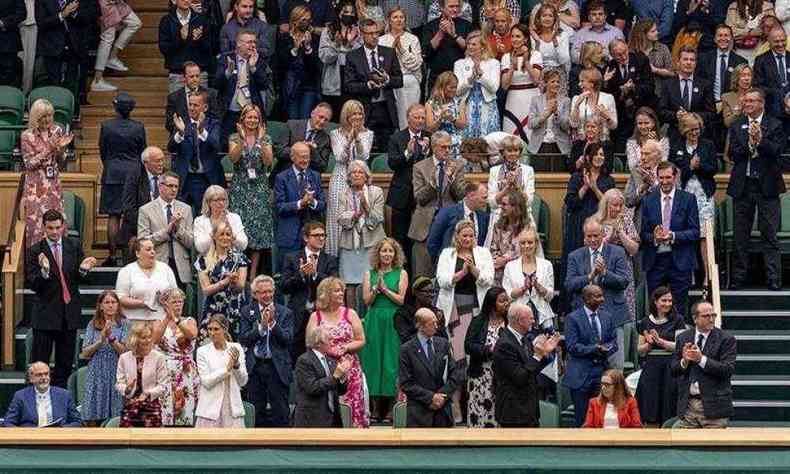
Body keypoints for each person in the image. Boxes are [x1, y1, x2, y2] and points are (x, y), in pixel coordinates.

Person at [26, 210, 97, 388]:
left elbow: (82, 279)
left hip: (69, 315)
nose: (55, 232)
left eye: (58, 227)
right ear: (44, 228)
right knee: (39, 365)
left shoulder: (73, 246)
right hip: (45, 317)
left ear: (63, 226)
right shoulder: (35, 251)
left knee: (65, 365)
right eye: (50, 228)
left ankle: (59, 403)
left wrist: (83, 269)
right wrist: (45, 271)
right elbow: (32, 284)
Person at [436, 219, 494, 422]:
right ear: (457, 237)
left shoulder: (483, 254)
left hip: (477, 309)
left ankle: (474, 405)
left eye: (471, 236)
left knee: (473, 357)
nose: (468, 239)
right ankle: (455, 404)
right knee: (457, 358)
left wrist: (474, 270)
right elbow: (442, 281)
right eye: (464, 236)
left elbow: (488, 279)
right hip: (454, 310)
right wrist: (461, 273)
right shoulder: (447, 254)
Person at [727, 87, 785, 290]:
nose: (747, 104)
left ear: (761, 103)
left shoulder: (775, 124)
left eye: (751, 101)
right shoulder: (736, 125)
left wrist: (760, 140)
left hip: (767, 187)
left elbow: (777, 151)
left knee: (769, 234)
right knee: (740, 235)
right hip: (743, 186)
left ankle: (774, 279)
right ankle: (738, 279)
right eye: (745, 101)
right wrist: (749, 143)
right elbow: (733, 154)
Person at [565, 217, 631, 370]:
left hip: (613, 316)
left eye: (596, 235)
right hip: (584, 319)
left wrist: (605, 273)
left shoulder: (618, 252)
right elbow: (569, 285)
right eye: (589, 236)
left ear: (603, 234)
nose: (593, 239)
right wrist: (590, 276)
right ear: (584, 237)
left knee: (614, 368)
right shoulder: (575, 256)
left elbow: (624, 281)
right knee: (585, 367)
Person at [640, 161, 701, 319]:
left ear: (675, 177)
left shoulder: (688, 199)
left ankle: (677, 339)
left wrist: (673, 236)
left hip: (680, 260)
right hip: (656, 260)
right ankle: (656, 340)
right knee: (655, 306)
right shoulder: (648, 200)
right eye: (661, 178)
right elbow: (643, 234)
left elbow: (695, 232)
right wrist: (654, 237)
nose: (665, 181)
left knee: (679, 306)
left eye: (668, 177)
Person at [305, 277, 367, 426]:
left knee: (352, 408)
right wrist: (329, 350)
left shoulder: (350, 313)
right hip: (324, 369)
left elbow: (361, 340)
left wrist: (345, 347)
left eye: (342, 291)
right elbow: (309, 343)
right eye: (336, 291)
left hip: (349, 369)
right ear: (325, 294)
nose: (341, 294)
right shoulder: (316, 316)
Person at [359, 238, 407, 423]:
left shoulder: (401, 273)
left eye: (390, 251)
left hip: (393, 320)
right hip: (374, 320)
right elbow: (366, 301)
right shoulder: (368, 273)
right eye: (384, 251)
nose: (387, 254)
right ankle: (375, 406)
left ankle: (390, 407)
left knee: (391, 360)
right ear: (377, 254)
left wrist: (385, 290)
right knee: (373, 360)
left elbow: (401, 300)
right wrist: (375, 291)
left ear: (395, 254)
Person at [408, 131, 467, 278]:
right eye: (443, 147)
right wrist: (433, 183)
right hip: (425, 227)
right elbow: (420, 198)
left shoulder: (458, 165)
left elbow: (460, 195)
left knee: (447, 274)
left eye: (450, 147)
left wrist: (452, 179)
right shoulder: (420, 167)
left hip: (449, 225)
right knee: (422, 277)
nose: (447, 151)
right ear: (434, 148)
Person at [492, 304, 560, 427]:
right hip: (514, 413)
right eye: (531, 318)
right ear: (520, 320)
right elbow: (520, 377)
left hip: (529, 411)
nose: (534, 322)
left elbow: (532, 370)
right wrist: (537, 356)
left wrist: (544, 353)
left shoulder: (524, 339)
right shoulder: (505, 344)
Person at [671, 301, 737, 428]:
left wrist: (701, 359)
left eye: (713, 315)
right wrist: (684, 361)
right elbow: (673, 370)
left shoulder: (726, 339)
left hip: (714, 410)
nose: (711, 319)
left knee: (713, 447)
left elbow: (727, 370)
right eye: (706, 316)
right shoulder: (683, 337)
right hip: (688, 408)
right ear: (695, 318)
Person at [669, 113, 718, 288]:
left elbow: (713, 169)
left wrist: (700, 166)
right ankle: (687, 275)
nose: (695, 133)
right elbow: (675, 172)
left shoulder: (708, 145)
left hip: (704, 195)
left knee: (705, 237)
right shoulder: (676, 147)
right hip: (684, 195)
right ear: (684, 130)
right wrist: (690, 167)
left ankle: (708, 276)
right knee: (685, 235)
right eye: (691, 130)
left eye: (697, 129)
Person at [239, 275, 294, 427]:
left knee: (281, 411)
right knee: (256, 410)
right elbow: (243, 339)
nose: (267, 295)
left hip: (277, 367)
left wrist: (273, 323)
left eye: (270, 291)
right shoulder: (246, 312)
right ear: (255, 294)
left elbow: (288, 340)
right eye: (263, 292)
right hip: (255, 366)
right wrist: (261, 327)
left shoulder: (285, 312)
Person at [99, 93, 147, 266]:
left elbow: (103, 151)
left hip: (112, 172)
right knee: (133, 215)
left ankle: (112, 255)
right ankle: (132, 256)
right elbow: (143, 152)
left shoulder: (106, 126)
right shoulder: (138, 127)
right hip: (134, 173)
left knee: (113, 215)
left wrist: (111, 165)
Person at [501, 228, 557, 378]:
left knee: (545, 360)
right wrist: (523, 288)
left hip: (542, 319)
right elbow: (507, 294)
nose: (526, 246)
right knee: (523, 357)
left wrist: (539, 287)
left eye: (530, 242)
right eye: (523, 243)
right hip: (520, 320)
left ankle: (544, 395)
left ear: (536, 244)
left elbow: (550, 295)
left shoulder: (546, 265)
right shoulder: (510, 266)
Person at [227, 104, 274, 280]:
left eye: (256, 117)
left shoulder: (266, 138)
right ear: (242, 119)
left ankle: (252, 276)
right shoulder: (234, 137)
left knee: (257, 236)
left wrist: (261, 141)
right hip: (241, 189)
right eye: (249, 117)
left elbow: (268, 161)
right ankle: (240, 273)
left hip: (259, 189)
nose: (252, 120)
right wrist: (241, 139)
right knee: (240, 232)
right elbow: (233, 158)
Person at [282, 222, 339, 361]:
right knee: (296, 357)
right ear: (306, 238)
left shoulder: (330, 260)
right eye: (316, 235)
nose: (321, 238)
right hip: (298, 315)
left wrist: (315, 275)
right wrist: (300, 275)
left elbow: (334, 284)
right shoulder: (292, 258)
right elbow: (284, 287)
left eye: (323, 235)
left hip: (322, 314)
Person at [563, 284, 618, 427]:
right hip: (580, 376)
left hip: (601, 374)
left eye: (602, 295)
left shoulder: (607, 317)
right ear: (587, 299)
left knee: (602, 419)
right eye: (598, 296)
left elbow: (614, 342)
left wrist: (607, 348)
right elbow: (572, 346)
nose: (602, 299)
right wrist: (594, 348)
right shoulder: (573, 318)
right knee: (583, 421)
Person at [561, 142, 615, 283]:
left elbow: (611, 204)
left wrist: (595, 188)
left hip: (599, 224)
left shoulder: (608, 180)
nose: (599, 157)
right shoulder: (576, 177)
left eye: (602, 154)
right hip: (578, 224)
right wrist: (585, 187)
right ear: (588, 157)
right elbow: (570, 203)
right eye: (596, 154)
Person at [21, 98, 72, 248]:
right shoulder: (27, 136)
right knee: (37, 229)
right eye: (44, 116)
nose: (48, 119)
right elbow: (29, 164)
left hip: (53, 185)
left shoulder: (57, 131)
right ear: (36, 117)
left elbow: (61, 162)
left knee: (57, 224)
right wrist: (49, 148)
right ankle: (36, 265)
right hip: (35, 188)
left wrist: (62, 150)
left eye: (50, 115)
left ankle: (58, 263)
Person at [326, 100, 374, 257]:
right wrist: (349, 140)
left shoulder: (368, 134)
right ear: (346, 115)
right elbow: (340, 157)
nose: (358, 116)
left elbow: (363, 155)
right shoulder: (335, 134)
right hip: (340, 178)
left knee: (360, 216)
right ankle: (336, 258)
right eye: (354, 113)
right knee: (338, 219)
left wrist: (357, 138)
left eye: (360, 113)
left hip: (360, 178)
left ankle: (357, 260)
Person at [399, 308, 461, 427]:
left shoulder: (443, 344)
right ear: (420, 326)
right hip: (419, 414)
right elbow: (406, 383)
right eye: (432, 323)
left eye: (436, 323)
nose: (436, 326)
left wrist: (441, 396)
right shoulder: (406, 350)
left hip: (443, 412)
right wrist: (430, 398)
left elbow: (455, 374)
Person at [387, 103, 431, 269]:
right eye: (416, 117)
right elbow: (393, 164)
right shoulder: (396, 138)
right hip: (402, 196)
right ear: (408, 118)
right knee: (400, 239)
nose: (420, 121)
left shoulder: (430, 137)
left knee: (421, 240)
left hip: (424, 196)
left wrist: (427, 153)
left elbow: (434, 165)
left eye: (422, 118)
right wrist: (408, 152)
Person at [636, 286, 686, 427]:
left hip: (670, 367)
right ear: (656, 302)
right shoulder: (645, 321)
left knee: (668, 403)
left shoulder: (678, 320)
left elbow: (680, 346)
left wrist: (661, 342)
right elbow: (640, 350)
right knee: (650, 404)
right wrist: (650, 344)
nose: (667, 304)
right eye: (664, 300)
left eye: (670, 301)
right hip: (651, 367)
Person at [168, 90, 223, 219]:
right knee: (181, 217)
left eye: (195, 105)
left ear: (205, 107)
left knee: (204, 217)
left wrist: (201, 130)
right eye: (190, 105)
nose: (191, 108)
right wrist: (181, 133)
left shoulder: (213, 124)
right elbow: (171, 147)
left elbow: (216, 145)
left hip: (205, 178)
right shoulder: (182, 123)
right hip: (184, 179)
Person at [79, 290, 130, 426]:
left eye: (113, 302)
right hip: (97, 371)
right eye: (106, 302)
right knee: (93, 413)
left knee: (116, 411)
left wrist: (111, 339)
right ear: (101, 306)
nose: (110, 305)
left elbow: (125, 352)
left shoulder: (124, 324)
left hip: (117, 370)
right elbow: (85, 353)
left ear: (118, 305)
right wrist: (101, 340)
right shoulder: (92, 324)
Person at [137, 172, 195, 290]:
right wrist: (166, 231)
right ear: (160, 186)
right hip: (157, 263)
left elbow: (191, 242)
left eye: (176, 187)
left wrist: (178, 228)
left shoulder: (186, 209)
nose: (174, 190)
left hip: (180, 266)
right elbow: (142, 242)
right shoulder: (145, 210)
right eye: (170, 186)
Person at [195, 221, 249, 342]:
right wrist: (225, 282)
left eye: (228, 234)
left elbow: (240, 287)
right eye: (221, 234)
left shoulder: (240, 258)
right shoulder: (203, 260)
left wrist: (234, 282)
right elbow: (206, 290)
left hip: (235, 309)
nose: (225, 237)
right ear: (214, 236)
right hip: (213, 310)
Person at [151, 288, 199, 426]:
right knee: (164, 406)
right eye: (174, 302)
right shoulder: (158, 322)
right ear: (166, 304)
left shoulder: (189, 320)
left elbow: (192, 335)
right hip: (164, 369)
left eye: (180, 301)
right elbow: (155, 340)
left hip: (185, 369)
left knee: (184, 410)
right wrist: (168, 317)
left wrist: (176, 320)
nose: (178, 304)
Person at [338, 161, 386, 296]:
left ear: (366, 176)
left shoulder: (376, 192)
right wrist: (355, 215)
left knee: (371, 282)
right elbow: (341, 218)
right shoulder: (344, 194)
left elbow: (378, 218)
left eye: (360, 172)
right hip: (350, 243)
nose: (357, 175)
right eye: (353, 172)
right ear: (349, 176)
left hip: (372, 243)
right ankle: (351, 315)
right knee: (350, 283)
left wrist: (366, 206)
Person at [274, 142, 327, 264]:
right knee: (288, 275)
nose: (305, 160)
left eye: (307, 156)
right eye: (302, 157)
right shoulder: (281, 178)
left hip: (311, 237)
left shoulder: (315, 176)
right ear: (293, 157)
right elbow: (279, 207)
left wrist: (312, 202)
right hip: (289, 236)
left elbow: (323, 204)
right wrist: (300, 203)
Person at [216, 29, 270, 146]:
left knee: (250, 147)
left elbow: (264, 85)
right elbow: (216, 84)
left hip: (251, 115)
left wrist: (253, 68)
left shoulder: (260, 60)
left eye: (254, 42)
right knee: (226, 147)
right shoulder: (226, 58)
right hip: (229, 113)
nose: (253, 45)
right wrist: (228, 73)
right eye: (249, 42)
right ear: (239, 43)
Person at [602, 39, 657, 152]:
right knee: (620, 146)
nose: (623, 57)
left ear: (627, 47)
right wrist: (616, 88)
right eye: (618, 55)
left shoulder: (641, 60)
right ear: (612, 55)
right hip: (621, 114)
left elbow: (650, 87)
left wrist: (634, 88)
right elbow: (608, 96)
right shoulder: (610, 67)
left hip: (642, 109)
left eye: (625, 52)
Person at [195, 314, 249, 428]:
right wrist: (227, 369)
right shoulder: (202, 351)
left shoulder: (236, 348)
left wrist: (236, 366)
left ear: (225, 329)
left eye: (216, 329)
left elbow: (243, 381)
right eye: (209, 329)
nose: (212, 333)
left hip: (232, 408)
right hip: (209, 410)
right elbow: (206, 382)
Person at [465, 287, 508, 428]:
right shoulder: (478, 321)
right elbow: (468, 345)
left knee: (498, 412)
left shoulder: (509, 322)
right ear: (491, 303)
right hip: (480, 374)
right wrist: (487, 350)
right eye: (502, 301)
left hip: (502, 376)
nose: (506, 303)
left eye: (507, 300)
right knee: (479, 413)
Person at [293, 325, 351, 427]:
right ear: (319, 343)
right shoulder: (304, 360)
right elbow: (312, 388)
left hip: (333, 419)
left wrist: (343, 376)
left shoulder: (331, 361)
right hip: (312, 419)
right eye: (329, 339)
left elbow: (341, 391)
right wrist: (335, 376)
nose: (332, 343)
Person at [35, 0, 95, 99]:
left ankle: (72, 109)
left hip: (74, 46)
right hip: (52, 46)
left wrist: (74, 13)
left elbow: (88, 18)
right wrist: (62, 15)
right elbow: (41, 23)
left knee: (72, 83)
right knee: (54, 83)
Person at [593, 188, 640, 314]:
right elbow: (592, 247)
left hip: (623, 269)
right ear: (606, 205)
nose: (618, 209)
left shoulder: (626, 221)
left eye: (621, 205)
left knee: (624, 308)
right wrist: (610, 236)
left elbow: (634, 249)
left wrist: (620, 233)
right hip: (602, 268)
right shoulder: (596, 222)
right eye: (615, 205)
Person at [116, 322, 169, 427]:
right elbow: (119, 383)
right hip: (130, 406)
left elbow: (163, 385)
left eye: (149, 336)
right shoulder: (124, 358)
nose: (148, 340)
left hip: (151, 407)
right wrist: (126, 389)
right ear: (135, 339)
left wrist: (147, 394)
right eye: (143, 337)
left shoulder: (159, 357)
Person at [658, 45, 716, 142]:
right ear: (678, 62)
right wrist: (676, 115)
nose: (688, 62)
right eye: (685, 59)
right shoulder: (667, 84)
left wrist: (691, 117)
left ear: (696, 63)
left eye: (692, 60)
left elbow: (711, 113)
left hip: (699, 135)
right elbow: (661, 111)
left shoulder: (705, 84)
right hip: (675, 135)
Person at [380, 6, 423, 130]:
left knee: (411, 115)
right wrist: (391, 52)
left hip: (410, 80)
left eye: (401, 17)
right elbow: (381, 65)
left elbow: (415, 64)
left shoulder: (413, 39)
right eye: (395, 17)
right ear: (389, 20)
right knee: (395, 117)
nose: (399, 20)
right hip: (390, 82)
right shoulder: (382, 40)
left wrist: (402, 50)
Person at [116, 237, 178, 321]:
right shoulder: (126, 271)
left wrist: (166, 297)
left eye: (153, 249)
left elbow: (175, 294)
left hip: (161, 321)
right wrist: (142, 303)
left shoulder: (165, 268)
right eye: (148, 249)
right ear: (138, 254)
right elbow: (121, 298)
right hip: (134, 321)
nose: (153, 252)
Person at [486, 134, 535, 238]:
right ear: (503, 152)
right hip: (499, 215)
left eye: (516, 150)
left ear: (520, 152)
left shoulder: (528, 170)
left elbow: (529, 201)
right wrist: (507, 187)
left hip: (522, 216)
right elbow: (492, 203)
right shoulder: (494, 171)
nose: (513, 154)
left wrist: (517, 186)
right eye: (509, 150)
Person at [158, 0, 213, 93]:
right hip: (177, 74)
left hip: (199, 73)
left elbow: (209, 48)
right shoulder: (166, 21)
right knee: (178, 106)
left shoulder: (201, 19)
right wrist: (180, 38)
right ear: (174, 1)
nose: (187, 0)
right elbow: (164, 49)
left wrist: (198, 39)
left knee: (200, 105)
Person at [277, 6, 323, 120]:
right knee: (292, 120)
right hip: (291, 86)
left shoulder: (315, 38)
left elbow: (316, 67)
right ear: (295, 20)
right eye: (303, 20)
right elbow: (281, 64)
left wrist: (308, 48)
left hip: (309, 86)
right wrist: (294, 50)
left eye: (309, 20)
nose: (306, 23)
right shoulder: (285, 38)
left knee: (304, 119)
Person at [120, 147, 165, 260]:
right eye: (157, 161)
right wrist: (146, 226)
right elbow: (128, 208)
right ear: (146, 163)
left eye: (162, 160)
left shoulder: (168, 176)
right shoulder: (134, 176)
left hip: (163, 228)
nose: (161, 164)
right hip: (137, 228)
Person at [454, 30, 501, 140]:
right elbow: (457, 91)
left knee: (488, 141)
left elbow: (494, 88)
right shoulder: (459, 64)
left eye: (474, 44)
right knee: (466, 142)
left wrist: (481, 76)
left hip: (487, 107)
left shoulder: (493, 63)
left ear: (483, 47)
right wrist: (470, 80)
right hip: (466, 107)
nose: (470, 47)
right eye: (469, 44)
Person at [3, 362, 81, 427]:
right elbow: (8, 422)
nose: (44, 378)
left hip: (58, 439)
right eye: (39, 375)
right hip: (31, 440)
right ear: (31, 378)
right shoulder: (20, 396)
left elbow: (77, 421)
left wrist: (62, 430)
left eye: (46, 374)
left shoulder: (64, 395)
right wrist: (23, 434)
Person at [318, 1, 361, 116]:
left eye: (352, 12)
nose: (349, 15)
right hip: (333, 81)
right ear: (339, 13)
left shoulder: (358, 32)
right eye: (346, 12)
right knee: (333, 118)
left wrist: (351, 44)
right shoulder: (327, 31)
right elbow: (324, 57)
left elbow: (361, 57)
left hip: (352, 78)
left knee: (349, 117)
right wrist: (336, 46)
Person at [428, 182, 489, 261]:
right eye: (484, 197)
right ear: (471, 195)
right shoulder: (448, 213)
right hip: (450, 264)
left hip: (475, 265)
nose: (486, 201)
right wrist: (441, 262)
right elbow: (433, 241)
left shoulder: (483, 216)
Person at [421, 0, 473, 92]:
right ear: (442, 8)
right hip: (437, 76)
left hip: (460, 76)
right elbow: (426, 52)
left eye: (457, 6)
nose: (455, 9)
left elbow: (470, 50)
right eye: (451, 7)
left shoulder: (467, 25)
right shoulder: (430, 26)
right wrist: (440, 33)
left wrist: (454, 35)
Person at [90, 0, 140, 91]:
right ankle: (97, 80)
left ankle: (112, 57)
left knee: (135, 23)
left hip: (116, 3)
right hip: (105, 4)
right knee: (107, 37)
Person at [274, 102, 333, 179]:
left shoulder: (325, 139)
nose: (322, 121)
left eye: (326, 120)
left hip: (308, 181)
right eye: (320, 117)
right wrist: (299, 149)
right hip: (284, 177)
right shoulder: (291, 125)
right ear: (312, 113)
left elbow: (322, 167)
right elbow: (279, 151)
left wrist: (313, 151)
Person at [164, 62, 221, 137]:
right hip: (182, 139)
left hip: (204, 138)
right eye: (191, 76)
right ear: (184, 77)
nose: (195, 79)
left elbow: (216, 120)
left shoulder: (210, 94)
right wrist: (186, 130)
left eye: (197, 76)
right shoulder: (174, 98)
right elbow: (169, 124)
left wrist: (202, 129)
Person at [526, 69, 572, 162]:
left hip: (559, 146)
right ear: (545, 83)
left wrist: (556, 113)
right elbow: (531, 124)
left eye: (558, 82)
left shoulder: (565, 101)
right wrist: (545, 115)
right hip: (539, 146)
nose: (556, 84)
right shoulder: (536, 100)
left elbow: (566, 126)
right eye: (553, 81)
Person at [696, 24, 748, 105]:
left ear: (731, 38)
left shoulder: (740, 61)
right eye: (720, 35)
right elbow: (698, 81)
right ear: (715, 39)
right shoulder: (703, 59)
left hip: (732, 106)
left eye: (726, 35)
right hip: (708, 105)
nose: (723, 38)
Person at [488, 190, 532, 285]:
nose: (501, 207)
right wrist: (498, 260)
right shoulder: (498, 226)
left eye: (504, 204)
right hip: (499, 270)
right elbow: (493, 248)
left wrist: (504, 260)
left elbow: (523, 250)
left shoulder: (527, 227)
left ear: (515, 207)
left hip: (519, 270)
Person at [193, 186, 248, 256]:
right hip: (208, 261)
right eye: (217, 200)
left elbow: (243, 245)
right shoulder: (199, 221)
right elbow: (200, 248)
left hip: (232, 260)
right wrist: (214, 231)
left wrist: (231, 233)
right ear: (208, 202)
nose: (221, 203)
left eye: (223, 199)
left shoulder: (234, 218)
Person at [628, 20, 674, 100]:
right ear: (643, 34)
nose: (657, 33)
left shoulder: (662, 48)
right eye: (653, 31)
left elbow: (672, 73)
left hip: (659, 93)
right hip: (637, 95)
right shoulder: (632, 51)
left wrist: (656, 70)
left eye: (656, 30)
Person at [531, 4, 571, 96]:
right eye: (544, 15)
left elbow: (564, 60)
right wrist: (537, 43)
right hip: (540, 73)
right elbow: (533, 61)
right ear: (539, 18)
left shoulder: (563, 35)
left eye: (550, 16)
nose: (547, 19)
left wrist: (555, 41)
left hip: (558, 74)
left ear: (555, 19)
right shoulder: (533, 36)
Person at [394, 277, 448, 345]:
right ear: (416, 292)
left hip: (435, 352)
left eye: (433, 291)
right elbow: (406, 339)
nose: (432, 295)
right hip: (413, 352)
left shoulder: (437, 313)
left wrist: (438, 324)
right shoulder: (402, 314)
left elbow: (444, 340)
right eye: (428, 292)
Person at [425, 71, 467, 158]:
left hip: (456, 146)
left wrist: (452, 119)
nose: (454, 90)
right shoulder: (430, 104)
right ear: (442, 87)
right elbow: (429, 128)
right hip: (438, 146)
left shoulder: (460, 102)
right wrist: (440, 119)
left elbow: (463, 125)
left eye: (455, 87)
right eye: (451, 87)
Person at [570, 68, 618, 143]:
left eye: (582, 81)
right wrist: (576, 106)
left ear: (592, 83)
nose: (579, 84)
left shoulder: (608, 98)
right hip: (582, 143)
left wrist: (607, 116)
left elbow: (614, 126)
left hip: (603, 143)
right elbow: (573, 124)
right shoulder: (576, 99)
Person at [570, 0, 625, 64]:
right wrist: (594, 58)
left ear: (605, 16)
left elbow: (621, 53)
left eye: (600, 14)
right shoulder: (581, 34)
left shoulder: (616, 33)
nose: (597, 17)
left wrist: (590, 54)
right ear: (589, 17)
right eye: (594, 14)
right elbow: (574, 56)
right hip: (586, 68)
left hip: (610, 67)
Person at [721, 64, 753, 163]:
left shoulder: (758, 96)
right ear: (736, 78)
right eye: (743, 75)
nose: (746, 78)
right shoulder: (727, 97)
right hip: (734, 143)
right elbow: (727, 123)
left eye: (749, 75)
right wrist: (737, 112)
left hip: (753, 141)